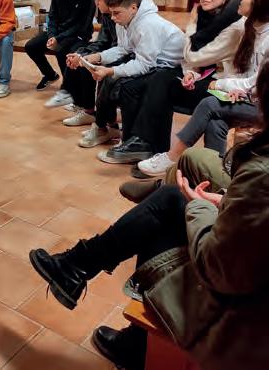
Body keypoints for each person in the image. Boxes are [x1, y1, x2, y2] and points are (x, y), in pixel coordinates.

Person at [29, 58, 269, 370]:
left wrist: (199, 205)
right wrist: (225, 200)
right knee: (186, 166)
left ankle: (133, 335)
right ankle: (83, 270)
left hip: (248, 310)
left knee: (167, 209)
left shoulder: (262, 172)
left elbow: (219, 267)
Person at [137, 0, 269, 176]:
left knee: (209, 103)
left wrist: (221, 84)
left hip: (262, 104)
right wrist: (232, 88)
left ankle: (172, 156)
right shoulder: (251, 29)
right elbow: (242, 72)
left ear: (260, 4)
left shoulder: (246, 30)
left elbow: (256, 82)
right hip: (246, 94)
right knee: (216, 121)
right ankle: (213, 175)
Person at [124, 0, 243, 173]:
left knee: (164, 86)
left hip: (225, 87)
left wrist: (192, 24)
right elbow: (190, 61)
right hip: (205, 78)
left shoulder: (235, 26)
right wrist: (190, 74)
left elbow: (195, 56)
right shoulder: (209, 16)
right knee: (160, 79)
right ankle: (152, 148)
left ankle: (162, 154)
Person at [78, 0, 184, 157]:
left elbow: (144, 64)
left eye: (116, 13)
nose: (112, 18)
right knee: (118, 81)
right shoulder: (125, 20)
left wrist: (110, 71)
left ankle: (132, 141)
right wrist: (97, 57)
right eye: (111, 13)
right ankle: (118, 134)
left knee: (128, 87)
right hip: (155, 64)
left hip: (173, 69)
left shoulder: (148, 24)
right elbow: (123, 49)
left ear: (133, 8)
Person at [25, 0, 96, 103]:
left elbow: (81, 25)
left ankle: (69, 88)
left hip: (78, 34)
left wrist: (58, 38)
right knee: (31, 46)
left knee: (62, 50)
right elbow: (52, 18)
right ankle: (50, 75)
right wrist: (52, 36)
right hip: (58, 33)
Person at [61, 0, 125, 127]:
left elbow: (124, 49)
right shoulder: (106, 15)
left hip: (123, 56)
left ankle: (107, 123)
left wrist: (94, 57)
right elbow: (102, 41)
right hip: (111, 51)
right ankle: (87, 110)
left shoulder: (122, 16)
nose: (96, 3)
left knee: (97, 69)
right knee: (79, 57)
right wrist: (82, 54)